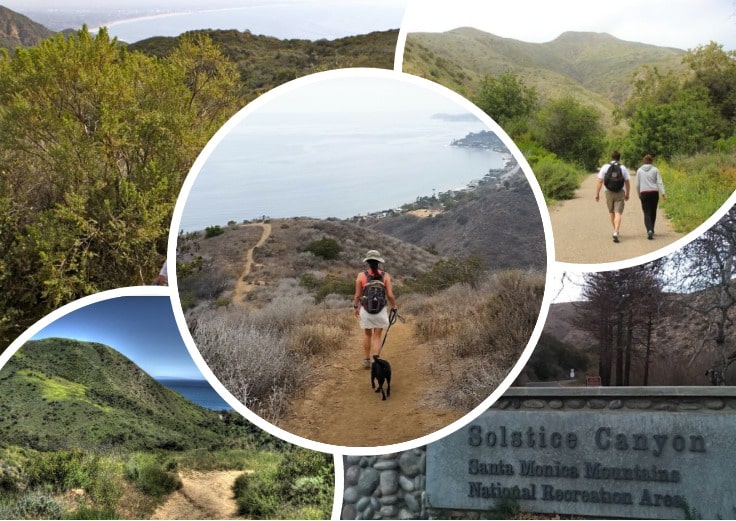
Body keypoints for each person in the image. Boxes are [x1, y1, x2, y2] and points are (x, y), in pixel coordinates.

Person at [353, 250, 397, 369]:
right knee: (377, 336)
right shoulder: (385, 276)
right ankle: (376, 360)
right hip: (380, 310)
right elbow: (390, 295)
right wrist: (394, 306)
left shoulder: (361, 276)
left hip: (365, 309)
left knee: (367, 335)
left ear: (367, 262)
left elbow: (357, 295)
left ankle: (367, 360)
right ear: (379, 262)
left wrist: (355, 307)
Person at [595, 150, 631, 243]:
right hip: (620, 192)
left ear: (611, 157)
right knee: (618, 212)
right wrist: (627, 193)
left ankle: (615, 230)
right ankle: (616, 231)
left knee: (612, 212)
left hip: (608, 192)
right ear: (619, 158)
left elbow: (600, 181)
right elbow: (627, 182)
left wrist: (597, 193)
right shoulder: (622, 167)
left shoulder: (605, 167)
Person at [636, 154, 666, 240]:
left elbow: (637, 184)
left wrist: (639, 193)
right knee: (653, 211)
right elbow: (659, 182)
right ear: (651, 161)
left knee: (646, 212)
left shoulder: (639, 171)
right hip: (654, 192)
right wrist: (663, 193)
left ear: (643, 161)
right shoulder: (655, 169)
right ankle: (652, 229)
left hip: (644, 193)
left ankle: (649, 230)